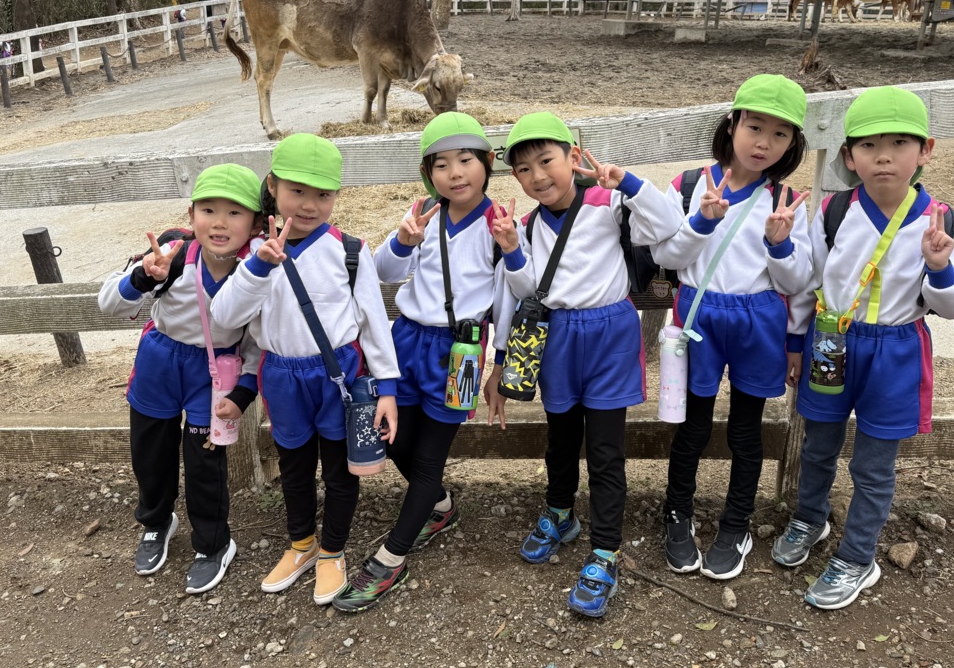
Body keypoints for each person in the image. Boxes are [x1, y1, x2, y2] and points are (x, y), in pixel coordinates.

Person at [489, 112, 712, 618]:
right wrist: (512, 251)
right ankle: (560, 513)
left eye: (546, 161)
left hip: (610, 334)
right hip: (557, 338)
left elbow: (668, 227)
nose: (537, 176)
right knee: (561, 437)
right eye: (523, 169)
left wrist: (627, 183)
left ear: (573, 156)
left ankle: (606, 551)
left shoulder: (608, 204)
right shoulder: (529, 225)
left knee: (607, 449)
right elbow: (528, 291)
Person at [780, 86, 954, 609]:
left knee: (872, 464)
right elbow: (809, 281)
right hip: (830, 341)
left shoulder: (942, 222)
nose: (883, 157)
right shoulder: (834, 211)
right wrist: (796, 341)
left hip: (895, 351)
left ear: (926, 150)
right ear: (850, 157)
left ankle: (857, 556)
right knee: (817, 444)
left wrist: (940, 267)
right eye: (868, 146)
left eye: (899, 144)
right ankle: (811, 518)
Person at [333, 112, 514, 612]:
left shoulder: (499, 223)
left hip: (461, 353)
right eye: (441, 164)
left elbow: (508, 300)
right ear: (427, 173)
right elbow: (385, 273)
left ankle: (391, 558)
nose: (455, 173)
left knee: (430, 457)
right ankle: (439, 504)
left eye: (465, 160)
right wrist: (403, 241)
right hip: (406, 340)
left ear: (487, 162)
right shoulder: (425, 214)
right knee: (393, 438)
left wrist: (498, 364)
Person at [210, 134, 400, 606]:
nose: (310, 205)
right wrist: (258, 267)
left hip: (338, 376)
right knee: (293, 466)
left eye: (323, 194)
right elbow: (225, 318)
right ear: (273, 186)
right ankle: (301, 544)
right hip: (281, 376)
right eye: (297, 190)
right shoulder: (252, 254)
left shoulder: (350, 250)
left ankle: (332, 550)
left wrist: (388, 389)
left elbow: (375, 324)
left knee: (339, 470)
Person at [650, 74, 813, 580]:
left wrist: (780, 243)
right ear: (731, 124)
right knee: (692, 426)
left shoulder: (785, 200)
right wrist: (702, 221)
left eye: (780, 134)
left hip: (758, 320)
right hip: (698, 317)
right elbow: (667, 258)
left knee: (746, 430)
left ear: (792, 143)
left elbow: (797, 281)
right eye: (754, 127)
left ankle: (736, 523)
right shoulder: (689, 186)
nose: (764, 143)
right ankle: (676, 515)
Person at [97, 163, 265, 595]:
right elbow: (108, 303)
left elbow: (257, 340)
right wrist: (142, 276)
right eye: (208, 210)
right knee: (150, 451)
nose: (219, 223)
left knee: (205, 461)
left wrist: (245, 391)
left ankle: (213, 544)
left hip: (214, 372)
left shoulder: (257, 270)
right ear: (191, 216)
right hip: (160, 361)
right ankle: (157, 521)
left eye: (234, 213)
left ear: (256, 224)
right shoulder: (172, 254)